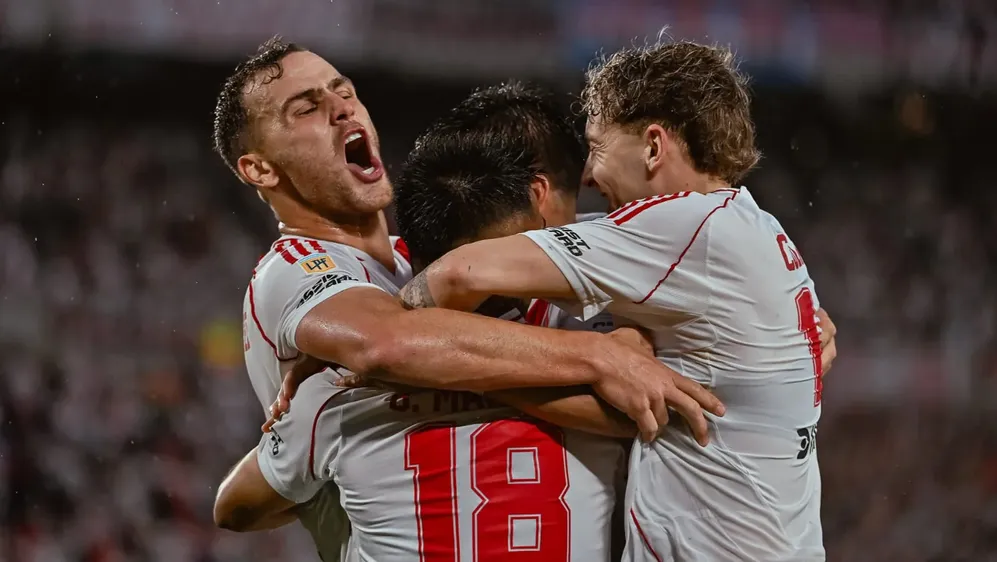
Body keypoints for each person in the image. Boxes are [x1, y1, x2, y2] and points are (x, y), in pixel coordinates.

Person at [208, 36, 722, 558]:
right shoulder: (291, 270)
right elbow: (386, 343)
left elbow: (241, 503)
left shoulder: (428, 263)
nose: (341, 108)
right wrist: (599, 356)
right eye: (306, 108)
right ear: (260, 169)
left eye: (344, 91)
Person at [397, 40, 831, 561]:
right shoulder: (750, 225)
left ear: (652, 147)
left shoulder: (681, 228)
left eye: (597, 147)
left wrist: (416, 347)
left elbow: (453, 275)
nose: (586, 176)